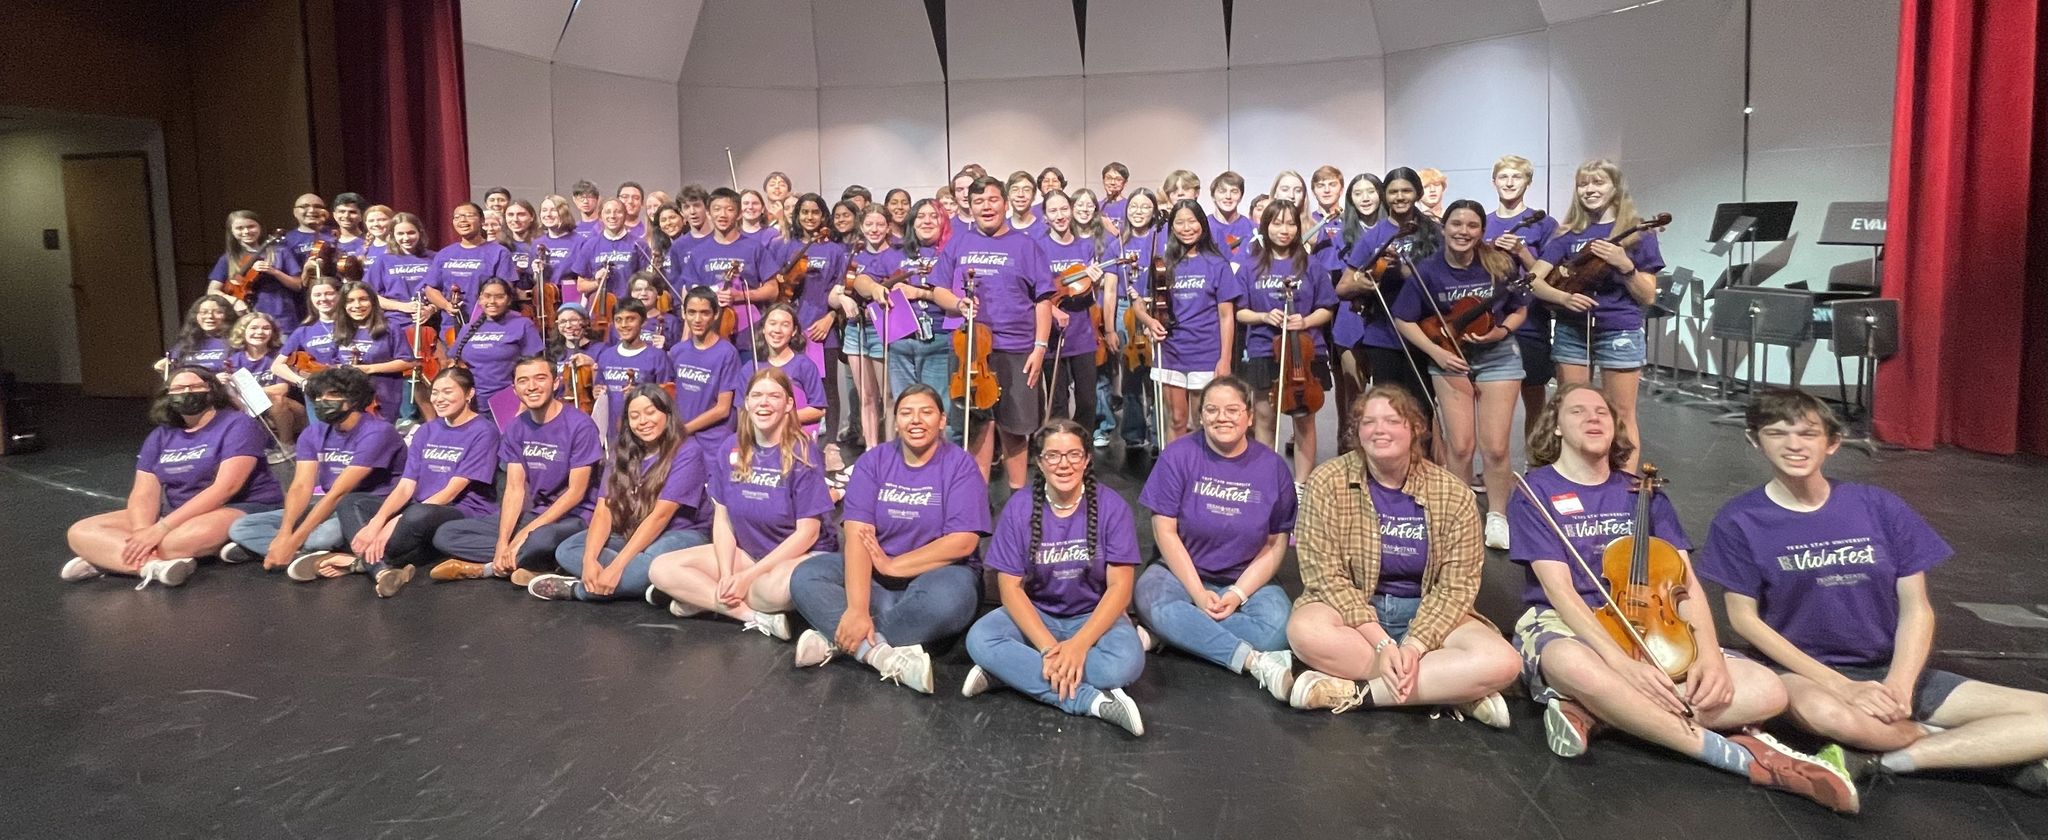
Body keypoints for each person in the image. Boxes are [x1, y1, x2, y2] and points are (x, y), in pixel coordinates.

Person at [1505, 383, 1858, 812]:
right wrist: (1621, 665)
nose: (1593, 418)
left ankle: (1600, 714)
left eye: (1602, 412)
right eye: (1578, 411)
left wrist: (1709, 654)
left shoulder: (1643, 492)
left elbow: (1684, 583)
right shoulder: (1535, 492)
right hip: (1569, 622)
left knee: (1768, 690)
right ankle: (1742, 757)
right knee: (1571, 664)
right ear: (1555, 427)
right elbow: (1560, 592)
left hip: (1654, 624)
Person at [1698, 389, 2048, 794]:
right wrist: (1841, 685)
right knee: (1829, 716)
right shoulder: (1739, 520)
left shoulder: (1878, 506)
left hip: (1887, 670)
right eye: (1778, 433)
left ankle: (1890, 761)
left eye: (1808, 434)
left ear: (1832, 443)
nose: (1794, 445)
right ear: (1755, 441)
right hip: (1802, 673)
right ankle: (1986, 751)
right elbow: (1745, 621)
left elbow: (1917, 608)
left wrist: (1900, 683)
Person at [1286, 386, 1518, 727]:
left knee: (1504, 661)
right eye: (1368, 422)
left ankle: (1356, 694)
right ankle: (1451, 688)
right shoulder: (1327, 481)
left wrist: (1414, 645)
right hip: (1355, 612)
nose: (1379, 430)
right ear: (1357, 432)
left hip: (1426, 611)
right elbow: (1323, 575)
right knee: (1304, 631)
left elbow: (1457, 586)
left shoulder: (1452, 493)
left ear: (1415, 429)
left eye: (1392, 420)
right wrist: (1381, 643)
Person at [788, 385, 989, 693]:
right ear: (896, 422)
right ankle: (878, 653)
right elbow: (857, 535)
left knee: (952, 601)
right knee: (806, 576)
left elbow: (962, 542)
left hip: (937, 577)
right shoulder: (874, 462)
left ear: (942, 420)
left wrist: (895, 565)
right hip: (877, 580)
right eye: (906, 413)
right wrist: (856, 609)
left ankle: (837, 637)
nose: (916, 420)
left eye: (926, 412)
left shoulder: (960, 465)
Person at [963, 419, 1146, 735]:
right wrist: (1049, 648)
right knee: (980, 637)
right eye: (1053, 456)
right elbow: (1010, 588)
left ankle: (1011, 673)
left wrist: (1079, 645)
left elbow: (1120, 588)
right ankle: (1090, 701)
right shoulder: (1019, 508)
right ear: (1039, 461)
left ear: (1087, 459)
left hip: (1092, 617)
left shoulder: (1111, 507)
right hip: (1038, 616)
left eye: (1074, 455)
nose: (1064, 464)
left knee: (1126, 662)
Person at [1133, 378, 1297, 700]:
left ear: (1249, 417)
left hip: (1246, 579)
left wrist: (1237, 593)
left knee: (1279, 628)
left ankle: (1170, 635)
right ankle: (1251, 661)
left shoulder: (1273, 468)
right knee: (1153, 601)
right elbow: (1164, 531)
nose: (1222, 417)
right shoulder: (1178, 456)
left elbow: (1276, 544)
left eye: (1232, 410)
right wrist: (1196, 592)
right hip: (1180, 574)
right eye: (1212, 409)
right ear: (1202, 415)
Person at [646, 367, 837, 640]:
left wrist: (747, 578)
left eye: (774, 396)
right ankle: (750, 615)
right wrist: (726, 574)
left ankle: (702, 598)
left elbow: (808, 533)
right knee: (660, 569)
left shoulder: (804, 452)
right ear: (746, 402)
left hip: (798, 557)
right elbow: (722, 520)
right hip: (748, 554)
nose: (764, 403)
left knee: (773, 590)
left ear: (788, 404)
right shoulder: (730, 447)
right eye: (757, 395)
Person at [61, 367, 282, 588]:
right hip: (177, 511)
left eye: (195, 387)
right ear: (168, 396)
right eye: (178, 388)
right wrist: (141, 533)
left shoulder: (238, 424)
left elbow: (226, 488)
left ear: (211, 391)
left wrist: (160, 529)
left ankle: (107, 560)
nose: (186, 392)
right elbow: (144, 492)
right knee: (80, 532)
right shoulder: (160, 435)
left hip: (241, 505)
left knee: (176, 542)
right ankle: (151, 566)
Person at [1391, 199, 1529, 548]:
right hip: (1449, 357)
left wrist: (1502, 331)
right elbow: (1404, 318)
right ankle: (1460, 512)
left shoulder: (1498, 263)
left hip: (1498, 356)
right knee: (1461, 446)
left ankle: (1498, 516)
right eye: (1456, 224)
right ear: (1444, 227)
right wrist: (1437, 352)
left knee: (1496, 447)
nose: (1463, 232)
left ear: (1482, 231)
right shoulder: (1428, 269)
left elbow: (1520, 308)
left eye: (1471, 225)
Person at [1518, 159, 1664, 471]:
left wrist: (1626, 266)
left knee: (1621, 412)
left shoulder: (1636, 233)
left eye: (1598, 183)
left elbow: (1648, 294)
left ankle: (1623, 486)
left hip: (1620, 330)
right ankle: (1574, 476)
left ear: (1615, 188)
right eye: (1583, 184)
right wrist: (1563, 297)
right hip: (1572, 331)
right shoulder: (1568, 234)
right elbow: (1534, 280)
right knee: (1570, 407)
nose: (1589, 190)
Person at [527, 385, 711, 603]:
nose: (643, 421)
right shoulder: (621, 451)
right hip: (631, 531)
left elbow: (660, 517)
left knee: (652, 566)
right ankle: (653, 586)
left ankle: (580, 590)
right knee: (568, 549)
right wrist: (589, 560)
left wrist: (617, 567)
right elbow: (604, 510)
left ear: (667, 414)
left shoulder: (687, 451)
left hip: (680, 533)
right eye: (634, 416)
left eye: (650, 412)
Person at [328, 367, 499, 597]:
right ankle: (380, 569)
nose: (438, 399)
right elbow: (406, 485)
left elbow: (451, 492)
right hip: (418, 507)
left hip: (460, 509)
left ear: (469, 394)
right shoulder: (426, 431)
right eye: (435, 392)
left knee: (416, 516)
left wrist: (395, 521)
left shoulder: (484, 431)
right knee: (351, 502)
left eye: (447, 392)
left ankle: (361, 562)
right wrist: (378, 522)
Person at [431, 356, 600, 585]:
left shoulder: (580, 425)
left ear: (556, 382)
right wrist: (503, 541)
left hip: (575, 516)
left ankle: (486, 568)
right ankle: (526, 562)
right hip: (537, 513)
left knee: (540, 540)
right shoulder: (516, 426)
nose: (531, 387)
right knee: (445, 534)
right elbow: (514, 488)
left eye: (540, 379)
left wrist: (522, 535)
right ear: (515, 388)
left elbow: (576, 493)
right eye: (523, 381)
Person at [224, 367, 405, 578]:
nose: (322, 401)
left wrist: (294, 540)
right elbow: (301, 485)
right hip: (327, 506)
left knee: (322, 537)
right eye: (318, 396)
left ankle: (288, 551)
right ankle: (303, 555)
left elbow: (339, 492)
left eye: (333, 395)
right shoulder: (313, 432)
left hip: (365, 507)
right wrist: (285, 534)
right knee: (241, 527)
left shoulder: (378, 432)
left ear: (355, 398)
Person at [934, 175, 1053, 489]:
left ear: (1004, 203)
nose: (986, 207)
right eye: (978, 202)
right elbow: (938, 290)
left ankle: (1018, 497)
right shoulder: (958, 242)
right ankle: (977, 498)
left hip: (1017, 348)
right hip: (970, 350)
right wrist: (959, 303)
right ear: (970, 207)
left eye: (992, 200)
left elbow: (1043, 299)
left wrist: (1040, 347)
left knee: (1015, 428)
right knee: (978, 424)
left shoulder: (1026, 245)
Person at [1234, 199, 1335, 485]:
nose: (1285, 230)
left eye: (1291, 223)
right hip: (1264, 349)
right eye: (1277, 223)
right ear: (1265, 226)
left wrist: (1305, 321)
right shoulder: (1249, 266)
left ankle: (1302, 485)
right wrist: (1264, 316)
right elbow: (1240, 311)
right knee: (1265, 419)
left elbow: (1326, 309)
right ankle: (1268, 482)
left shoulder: (1311, 265)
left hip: (1306, 352)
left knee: (1304, 420)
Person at [1339, 167, 1438, 441]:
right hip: (1382, 335)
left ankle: (1422, 468)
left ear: (1417, 193)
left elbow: (1443, 281)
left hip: (1426, 334)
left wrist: (1406, 272)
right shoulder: (1373, 237)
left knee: (1422, 409)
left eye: (1406, 190)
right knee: (1389, 410)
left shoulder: (1434, 232)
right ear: (1385, 196)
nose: (1400, 197)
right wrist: (1366, 281)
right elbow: (1344, 286)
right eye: (1393, 192)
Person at [1130, 199, 1238, 443]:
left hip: (1206, 352)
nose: (1186, 228)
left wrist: (1225, 359)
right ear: (1171, 226)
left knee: (1203, 422)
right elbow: (1138, 302)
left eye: (1192, 221)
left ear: (1202, 224)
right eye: (1180, 222)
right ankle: (1175, 474)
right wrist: (1149, 321)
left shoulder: (1217, 263)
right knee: (1177, 419)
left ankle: (1203, 472)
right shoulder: (1161, 263)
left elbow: (1226, 315)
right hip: (1170, 351)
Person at [1487, 155, 1560, 429]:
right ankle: (1497, 467)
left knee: (1533, 397)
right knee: (1493, 403)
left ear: (1528, 182)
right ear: (1494, 181)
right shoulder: (1482, 222)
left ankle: (1535, 463)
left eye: (1516, 177)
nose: (1509, 182)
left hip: (1531, 323)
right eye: (1503, 176)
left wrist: (1521, 252)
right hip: (1491, 321)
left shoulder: (1543, 223)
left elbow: (1550, 276)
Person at [1034, 189, 1113, 433]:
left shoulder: (1085, 246)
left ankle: (1083, 451)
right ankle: (1058, 451)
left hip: (1082, 333)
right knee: (1057, 402)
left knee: (1087, 401)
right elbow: (1034, 290)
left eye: (1063, 209)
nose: (1060, 215)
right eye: (1053, 211)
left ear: (1071, 211)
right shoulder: (1038, 246)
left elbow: (1090, 293)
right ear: (1045, 217)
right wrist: (1053, 310)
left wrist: (1096, 281)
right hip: (1052, 335)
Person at [829, 204, 895, 451]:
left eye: (880, 224)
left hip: (883, 331)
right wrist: (843, 299)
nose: (874, 229)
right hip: (856, 330)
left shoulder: (895, 256)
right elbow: (834, 295)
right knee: (865, 395)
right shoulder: (854, 257)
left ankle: (889, 450)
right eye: (869, 224)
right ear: (861, 226)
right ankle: (871, 449)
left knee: (887, 397)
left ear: (888, 227)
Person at [1326, 173, 1384, 455]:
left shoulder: (1392, 229)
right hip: (1350, 319)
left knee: (1389, 393)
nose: (1365, 198)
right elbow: (1338, 280)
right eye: (1358, 193)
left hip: (1386, 319)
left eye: (1370, 191)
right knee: (1354, 394)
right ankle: (1352, 451)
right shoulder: (1340, 232)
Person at [1111, 188, 1165, 451]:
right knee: (1131, 371)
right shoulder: (1118, 243)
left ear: (1154, 210)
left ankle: (1157, 435)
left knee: (1155, 373)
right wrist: (1110, 327)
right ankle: (1133, 433)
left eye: (1145, 207)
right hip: (1125, 308)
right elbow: (1110, 287)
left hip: (1155, 307)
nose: (1139, 211)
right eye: (1134, 206)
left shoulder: (1162, 238)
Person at [448, 278, 544, 419]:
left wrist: (525, 402)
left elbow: (535, 367)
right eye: (487, 296)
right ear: (480, 299)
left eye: (499, 297)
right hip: (472, 403)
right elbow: (454, 363)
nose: (492, 301)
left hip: (508, 401)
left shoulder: (523, 325)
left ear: (509, 300)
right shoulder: (467, 328)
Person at [583, 298, 673, 437]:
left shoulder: (657, 357)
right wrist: (596, 392)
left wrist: (642, 395)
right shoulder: (606, 356)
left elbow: (667, 397)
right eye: (618, 320)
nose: (624, 325)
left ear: (643, 322)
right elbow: (600, 387)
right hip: (612, 434)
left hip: (645, 433)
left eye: (630, 319)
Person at [667, 287, 743, 452]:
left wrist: (684, 430)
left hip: (712, 442)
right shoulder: (677, 351)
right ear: (683, 313)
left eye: (704, 313)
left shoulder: (727, 353)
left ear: (715, 315)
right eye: (692, 312)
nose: (697, 319)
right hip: (681, 441)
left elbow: (723, 409)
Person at [331, 281, 417, 422]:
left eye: (363, 299)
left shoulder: (390, 328)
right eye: (350, 301)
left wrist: (369, 369)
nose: (357, 305)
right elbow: (334, 363)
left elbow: (408, 361)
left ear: (373, 302)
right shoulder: (340, 330)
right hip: (347, 398)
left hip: (382, 398)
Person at [222, 310, 302, 453]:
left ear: (273, 333)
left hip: (290, 411)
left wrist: (249, 392)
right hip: (249, 409)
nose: (260, 332)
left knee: (276, 399)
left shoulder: (278, 356)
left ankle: (287, 445)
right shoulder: (233, 361)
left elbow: (282, 389)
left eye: (266, 328)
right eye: (253, 328)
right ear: (243, 331)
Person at [207, 210, 302, 326]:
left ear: (260, 227)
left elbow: (298, 285)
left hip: (282, 317)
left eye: (251, 226)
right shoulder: (228, 259)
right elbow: (212, 291)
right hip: (245, 319)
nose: (246, 231)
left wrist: (275, 272)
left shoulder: (280, 252)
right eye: (239, 228)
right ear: (231, 231)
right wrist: (234, 301)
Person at [424, 203, 517, 318]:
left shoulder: (499, 252)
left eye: (469, 215)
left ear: (482, 220)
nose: (462, 220)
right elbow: (431, 288)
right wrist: (446, 305)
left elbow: (505, 290)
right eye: (457, 217)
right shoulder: (445, 253)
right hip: (450, 327)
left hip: (487, 323)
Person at [743, 304, 828, 429]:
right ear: (763, 328)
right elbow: (743, 411)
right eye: (772, 323)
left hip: (795, 435)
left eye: (785, 325)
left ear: (794, 331)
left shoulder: (804, 365)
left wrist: (779, 418)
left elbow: (818, 410)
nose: (777, 330)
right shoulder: (750, 368)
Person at [566, 198, 647, 308]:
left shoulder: (639, 244)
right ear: (600, 216)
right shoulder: (590, 245)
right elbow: (581, 286)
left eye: (618, 212)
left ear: (625, 215)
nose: (612, 216)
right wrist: (597, 282)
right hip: (600, 309)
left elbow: (646, 280)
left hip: (630, 307)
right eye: (607, 212)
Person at [364, 212, 435, 335]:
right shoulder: (383, 260)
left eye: (411, 233)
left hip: (430, 323)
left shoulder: (434, 258)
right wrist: (401, 306)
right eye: (400, 234)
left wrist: (431, 309)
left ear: (420, 233)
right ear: (393, 235)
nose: (406, 238)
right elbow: (369, 295)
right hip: (394, 324)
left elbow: (445, 292)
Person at [271, 275, 345, 388]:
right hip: (318, 391)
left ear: (340, 295)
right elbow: (276, 366)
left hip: (349, 386)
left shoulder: (353, 325)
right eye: (317, 295)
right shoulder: (303, 331)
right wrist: (301, 382)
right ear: (311, 298)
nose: (323, 298)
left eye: (329, 293)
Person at [158, 295, 236, 376]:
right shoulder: (185, 343)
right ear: (195, 316)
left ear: (228, 315)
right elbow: (174, 372)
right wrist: (163, 367)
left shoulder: (236, 342)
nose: (210, 316)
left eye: (218, 312)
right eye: (203, 312)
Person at [1207, 171, 1252, 260]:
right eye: (1222, 191)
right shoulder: (1203, 227)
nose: (1228, 196)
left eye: (1234, 191)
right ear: (1213, 196)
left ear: (1241, 196)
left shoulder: (1253, 228)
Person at [1099, 162, 1130, 237]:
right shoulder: (1096, 206)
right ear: (1103, 180)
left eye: (1118, 179)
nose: (1112, 183)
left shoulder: (1129, 206)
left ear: (1125, 183)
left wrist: (1110, 228)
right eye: (1109, 178)